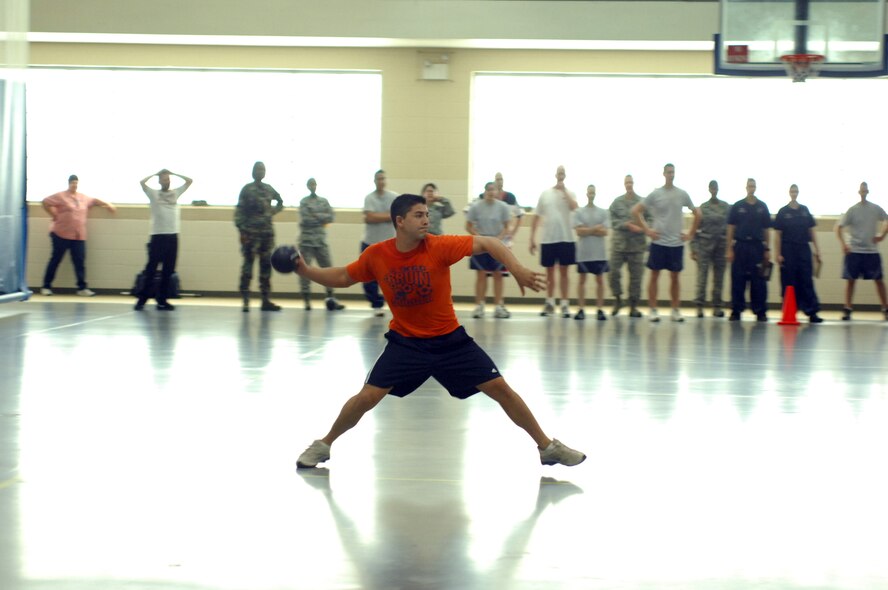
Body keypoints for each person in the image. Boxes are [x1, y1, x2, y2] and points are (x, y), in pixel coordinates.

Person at [291, 193, 586, 469]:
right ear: (400, 221)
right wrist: (305, 271)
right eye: (418, 215)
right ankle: (323, 444)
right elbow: (343, 276)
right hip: (406, 344)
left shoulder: (438, 246)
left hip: (450, 342)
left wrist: (518, 269)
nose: (426, 220)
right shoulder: (377, 255)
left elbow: (489, 243)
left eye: (427, 215)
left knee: (502, 391)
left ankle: (547, 448)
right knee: (366, 397)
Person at [631, 163, 700, 323]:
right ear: (664, 174)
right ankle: (653, 310)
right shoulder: (656, 194)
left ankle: (675, 310)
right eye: (668, 172)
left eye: (673, 172)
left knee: (675, 277)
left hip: (676, 244)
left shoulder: (682, 194)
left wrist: (690, 233)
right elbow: (636, 211)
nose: (671, 174)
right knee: (654, 275)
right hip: (659, 242)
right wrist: (647, 230)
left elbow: (698, 214)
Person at [40, 174, 117, 296]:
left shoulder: (83, 198)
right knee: (55, 260)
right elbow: (45, 202)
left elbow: (95, 201)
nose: (74, 185)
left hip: (78, 236)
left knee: (79, 262)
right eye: (72, 183)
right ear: (68, 183)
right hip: (61, 234)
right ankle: (46, 286)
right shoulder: (61, 196)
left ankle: (82, 288)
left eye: (76, 183)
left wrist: (108, 204)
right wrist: (53, 214)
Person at [135, 169, 193, 311]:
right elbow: (142, 183)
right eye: (164, 179)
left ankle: (162, 300)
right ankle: (142, 299)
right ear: (160, 181)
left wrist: (173, 173)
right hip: (158, 236)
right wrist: (155, 173)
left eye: (168, 180)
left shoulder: (175, 193)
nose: (166, 182)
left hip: (172, 236)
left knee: (168, 270)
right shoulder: (153, 194)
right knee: (151, 269)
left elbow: (189, 181)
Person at [834, 181, 888, 321]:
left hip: (871, 251)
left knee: (879, 280)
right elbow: (838, 227)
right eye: (861, 190)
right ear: (859, 192)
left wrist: (882, 235)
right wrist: (843, 245)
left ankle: (885, 308)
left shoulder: (875, 208)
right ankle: (847, 308)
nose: (863, 192)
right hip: (855, 251)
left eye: (865, 190)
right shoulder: (852, 210)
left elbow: (886, 220)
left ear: (867, 192)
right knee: (851, 280)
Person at [235, 161, 283, 312]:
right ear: (252, 172)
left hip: (267, 235)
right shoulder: (247, 189)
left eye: (262, 169)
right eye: (257, 169)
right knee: (248, 267)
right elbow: (239, 211)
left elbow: (280, 201)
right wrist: (242, 230)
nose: (260, 172)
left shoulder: (269, 189)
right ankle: (245, 300)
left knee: (266, 268)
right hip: (250, 235)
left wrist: (271, 212)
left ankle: (265, 300)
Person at [530, 165, 578, 317]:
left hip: (566, 238)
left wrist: (564, 191)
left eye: (563, 172)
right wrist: (532, 237)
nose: (561, 175)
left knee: (564, 272)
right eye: (559, 172)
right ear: (555, 174)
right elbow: (536, 216)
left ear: (566, 175)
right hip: (548, 239)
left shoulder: (570, 193)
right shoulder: (545, 194)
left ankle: (564, 304)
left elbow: (574, 207)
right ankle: (550, 303)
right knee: (549, 272)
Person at [773, 184, 823, 323]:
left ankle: (811, 312)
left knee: (806, 280)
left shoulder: (804, 210)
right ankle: (790, 311)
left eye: (796, 191)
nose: (794, 193)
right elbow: (777, 234)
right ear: (789, 192)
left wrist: (817, 250)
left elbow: (812, 231)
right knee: (789, 281)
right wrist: (778, 253)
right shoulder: (783, 212)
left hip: (803, 249)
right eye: (792, 191)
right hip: (788, 249)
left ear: (798, 193)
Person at [726, 178, 772, 322]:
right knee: (738, 280)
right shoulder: (737, 206)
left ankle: (760, 311)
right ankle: (736, 310)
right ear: (746, 187)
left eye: (753, 186)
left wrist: (767, 248)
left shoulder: (762, 207)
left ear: (755, 188)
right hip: (740, 246)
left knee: (759, 281)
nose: (751, 188)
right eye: (749, 186)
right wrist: (729, 249)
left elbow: (766, 229)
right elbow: (731, 228)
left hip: (757, 247)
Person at [466, 181, 513, 319]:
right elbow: (468, 226)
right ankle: (479, 306)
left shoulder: (503, 207)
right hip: (481, 244)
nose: (491, 192)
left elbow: (507, 226)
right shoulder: (476, 206)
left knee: (497, 274)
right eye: (488, 190)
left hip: (498, 243)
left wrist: (498, 239)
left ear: (497, 192)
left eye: (493, 190)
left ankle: (498, 306)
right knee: (481, 275)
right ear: (484, 191)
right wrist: (479, 237)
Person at [298, 177, 345, 311]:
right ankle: (306, 299)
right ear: (307, 186)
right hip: (306, 241)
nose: (313, 186)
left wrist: (315, 215)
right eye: (310, 184)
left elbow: (331, 217)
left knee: (328, 269)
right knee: (304, 270)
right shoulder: (304, 201)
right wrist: (320, 217)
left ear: (316, 185)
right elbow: (305, 219)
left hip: (320, 241)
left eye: (314, 184)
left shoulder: (323, 201)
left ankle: (330, 298)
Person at [608, 174, 650, 318]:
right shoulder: (617, 202)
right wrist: (624, 224)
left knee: (636, 278)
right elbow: (611, 220)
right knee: (613, 272)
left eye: (631, 182)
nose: (629, 185)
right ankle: (618, 299)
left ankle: (633, 306)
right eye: (627, 182)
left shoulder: (642, 202)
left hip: (637, 245)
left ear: (634, 183)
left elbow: (651, 220)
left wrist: (643, 228)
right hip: (619, 245)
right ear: (624, 184)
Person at [362, 169, 399, 317]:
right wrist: (388, 215)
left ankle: (397, 304)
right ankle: (376, 304)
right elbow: (369, 218)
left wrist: (378, 216)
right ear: (374, 181)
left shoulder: (394, 197)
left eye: (383, 178)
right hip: (370, 242)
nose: (381, 181)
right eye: (378, 179)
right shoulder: (369, 198)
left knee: (393, 275)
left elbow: (397, 215)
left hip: (390, 243)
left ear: (386, 180)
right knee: (368, 276)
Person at [690, 180, 729, 318]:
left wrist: (730, 247)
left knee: (719, 278)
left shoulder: (726, 207)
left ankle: (717, 306)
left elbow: (731, 229)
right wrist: (693, 248)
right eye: (712, 188)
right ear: (709, 189)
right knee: (702, 277)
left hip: (721, 247)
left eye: (715, 188)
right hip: (704, 247)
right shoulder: (703, 207)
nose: (714, 190)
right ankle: (699, 306)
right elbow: (695, 228)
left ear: (718, 189)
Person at [571, 184, 610, 321]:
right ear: (586, 194)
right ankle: (581, 308)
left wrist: (588, 230)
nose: (591, 194)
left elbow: (605, 232)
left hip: (599, 253)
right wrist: (595, 229)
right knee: (582, 280)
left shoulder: (603, 212)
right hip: (584, 253)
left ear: (595, 194)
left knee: (600, 280)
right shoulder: (579, 212)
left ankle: (599, 309)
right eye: (589, 192)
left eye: (593, 192)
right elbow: (579, 231)